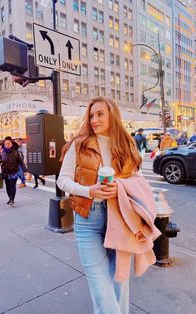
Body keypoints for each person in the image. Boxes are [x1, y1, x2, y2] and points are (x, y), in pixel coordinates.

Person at [57, 97, 157, 314]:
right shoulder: (79, 144)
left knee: (118, 280)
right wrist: (88, 191)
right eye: (91, 115)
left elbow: (137, 180)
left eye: (100, 114)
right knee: (101, 288)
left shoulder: (126, 145)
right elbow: (62, 180)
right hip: (87, 219)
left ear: (113, 115)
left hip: (118, 218)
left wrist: (119, 187)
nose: (94, 119)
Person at [0, 136, 27, 206]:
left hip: (14, 171)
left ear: (12, 144)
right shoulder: (2, 152)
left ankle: (12, 199)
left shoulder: (16, 152)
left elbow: (21, 161)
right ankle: (10, 198)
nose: (7, 145)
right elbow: (0, 161)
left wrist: (25, 170)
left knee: (12, 185)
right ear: (4, 144)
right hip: (5, 172)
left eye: (9, 144)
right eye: (6, 144)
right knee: (8, 186)